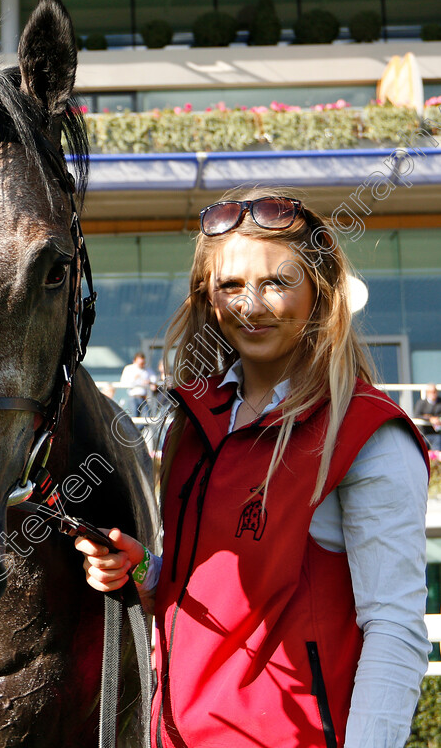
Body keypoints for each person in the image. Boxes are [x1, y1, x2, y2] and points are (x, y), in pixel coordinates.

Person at [76, 187, 430, 748]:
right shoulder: (192, 421)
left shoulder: (366, 432)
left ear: (320, 290)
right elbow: (208, 592)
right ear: (207, 297)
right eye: (231, 285)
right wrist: (145, 575)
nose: (251, 305)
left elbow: (395, 631)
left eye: (277, 283)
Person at [119, 352, 156, 418]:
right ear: (134, 361)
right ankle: (135, 428)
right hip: (133, 397)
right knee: (134, 417)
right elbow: (123, 382)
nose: (142, 365)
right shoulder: (129, 369)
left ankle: (138, 429)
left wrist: (149, 381)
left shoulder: (147, 370)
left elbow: (154, 379)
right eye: (140, 363)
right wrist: (134, 379)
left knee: (147, 418)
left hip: (144, 397)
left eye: (143, 363)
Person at [413, 382, 441, 450]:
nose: (433, 394)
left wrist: (438, 419)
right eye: (431, 392)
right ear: (427, 393)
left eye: (435, 392)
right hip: (423, 434)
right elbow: (416, 415)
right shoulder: (421, 403)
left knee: (436, 455)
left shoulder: (440, 402)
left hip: (437, 434)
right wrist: (430, 419)